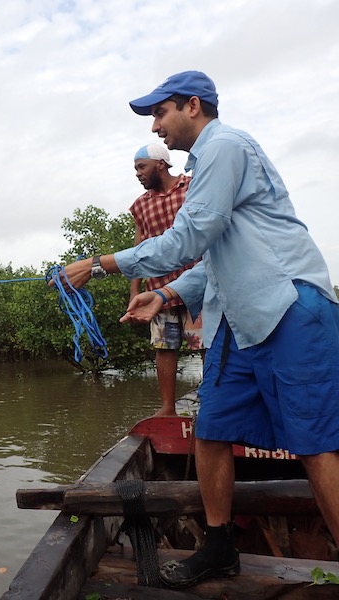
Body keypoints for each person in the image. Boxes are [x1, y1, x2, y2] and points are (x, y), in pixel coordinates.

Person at [58, 70, 339, 588]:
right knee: (211, 432)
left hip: (288, 306)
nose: (156, 126)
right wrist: (165, 294)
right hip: (238, 320)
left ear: (193, 106)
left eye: (159, 113)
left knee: (315, 442)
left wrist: (98, 263)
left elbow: (189, 236)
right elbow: (212, 259)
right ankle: (218, 547)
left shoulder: (225, 146)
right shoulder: (206, 164)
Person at [129, 143, 202, 417]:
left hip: (198, 285)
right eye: (136, 168)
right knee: (164, 346)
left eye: (141, 167)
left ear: (160, 163)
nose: (137, 173)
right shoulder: (140, 205)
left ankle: (212, 401)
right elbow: (138, 250)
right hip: (158, 289)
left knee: (204, 343)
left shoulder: (192, 187)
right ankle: (168, 408)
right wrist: (134, 292)